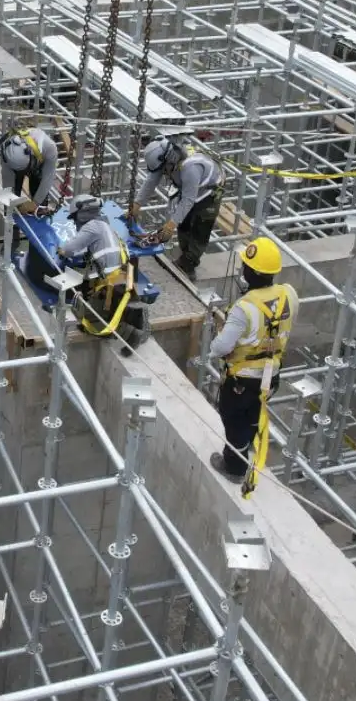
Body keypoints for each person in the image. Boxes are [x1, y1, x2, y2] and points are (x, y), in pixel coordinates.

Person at [207, 236, 298, 495]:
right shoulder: (288, 294)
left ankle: (234, 467)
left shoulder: (243, 308)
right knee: (252, 416)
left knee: (233, 418)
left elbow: (222, 348)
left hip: (242, 380)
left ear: (249, 272)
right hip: (272, 374)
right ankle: (245, 448)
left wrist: (218, 340)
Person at [57, 194, 147, 350]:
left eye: (74, 218)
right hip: (121, 276)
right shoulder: (104, 225)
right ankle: (134, 318)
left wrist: (62, 251)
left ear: (82, 214)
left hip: (108, 280)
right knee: (109, 307)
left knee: (91, 319)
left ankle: (129, 333)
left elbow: (70, 249)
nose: (74, 222)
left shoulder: (91, 226)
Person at [128, 133, 220, 277]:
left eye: (163, 170)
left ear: (170, 161)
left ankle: (189, 265)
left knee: (199, 231)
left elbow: (188, 200)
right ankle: (184, 257)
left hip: (208, 194)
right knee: (183, 224)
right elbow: (151, 180)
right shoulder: (166, 160)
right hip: (189, 188)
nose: (163, 173)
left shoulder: (190, 169)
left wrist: (171, 224)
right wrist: (137, 204)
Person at [0, 126, 68, 214]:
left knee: (38, 197)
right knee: (10, 203)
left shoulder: (48, 147)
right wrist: (10, 205)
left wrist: (35, 203)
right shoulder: (8, 153)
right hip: (16, 167)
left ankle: (40, 214)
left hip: (38, 166)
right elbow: (7, 185)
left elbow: (48, 178)